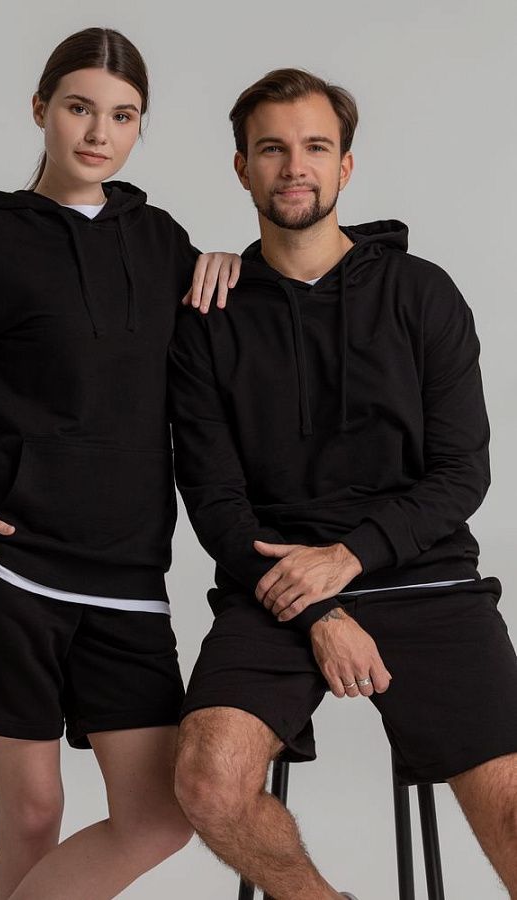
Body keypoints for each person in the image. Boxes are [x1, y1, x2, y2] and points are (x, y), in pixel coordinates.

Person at [0, 27, 242, 900]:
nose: (98, 132)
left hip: (126, 572)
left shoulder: (160, 241)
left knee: (158, 817)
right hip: (7, 563)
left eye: (122, 115)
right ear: (41, 108)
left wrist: (232, 262)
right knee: (34, 810)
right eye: (80, 108)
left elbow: (227, 345)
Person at [168, 67, 517, 900]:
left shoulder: (421, 293)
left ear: (345, 166)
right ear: (241, 167)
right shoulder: (208, 316)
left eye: (315, 147)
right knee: (208, 784)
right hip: (275, 588)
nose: (295, 166)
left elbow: (461, 472)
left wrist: (347, 559)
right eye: (272, 149)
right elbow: (214, 502)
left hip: (426, 579)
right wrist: (318, 608)